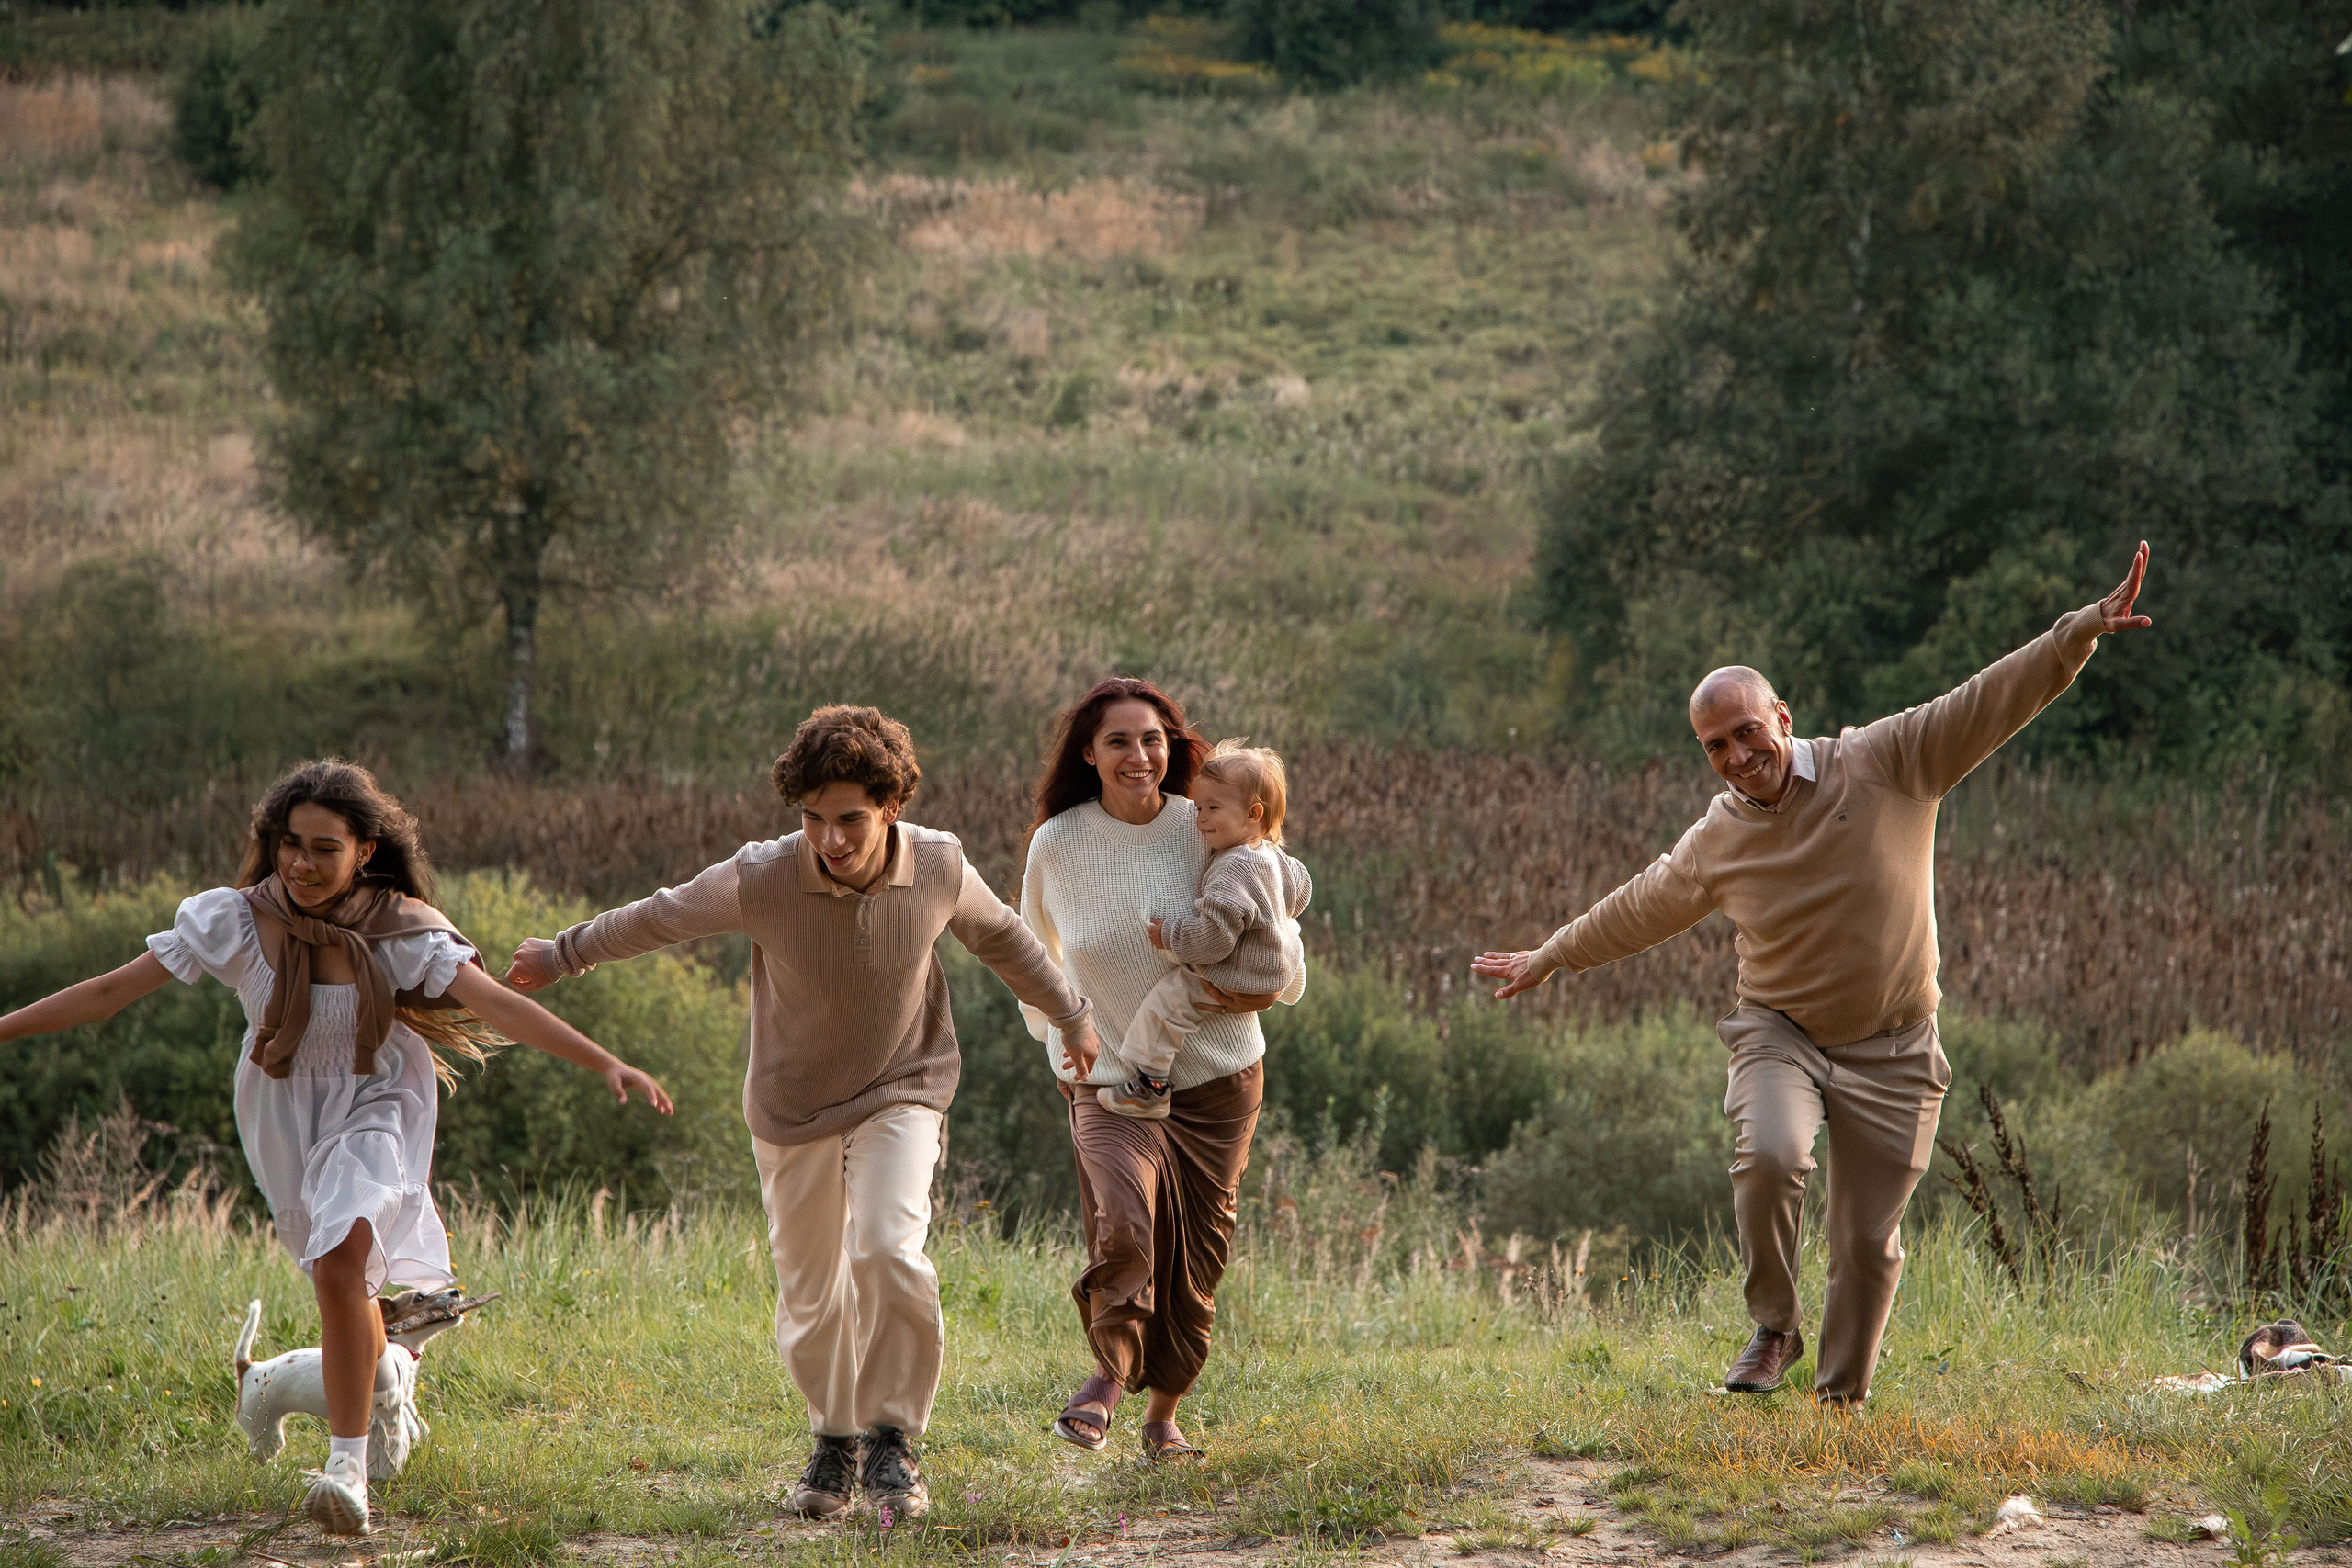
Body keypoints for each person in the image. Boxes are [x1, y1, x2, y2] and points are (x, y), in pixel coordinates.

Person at [1474, 543, 2156, 1406]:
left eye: (1745, 731)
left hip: (1897, 1044)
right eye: (1713, 745)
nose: (1733, 755)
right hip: (1779, 1033)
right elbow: (1641, 903)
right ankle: (1775, 1324)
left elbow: (1987, 698)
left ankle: (1839, 1405)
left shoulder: (1885, 761)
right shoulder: (1718, 836)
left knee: (1866, 1245)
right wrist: (1551, 955)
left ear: (1782, 716)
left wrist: (2082, 628)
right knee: (1769, 1152)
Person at [0, 760, 673, 1535]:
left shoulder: (401, 928)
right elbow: (107, 993)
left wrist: (606, 1061)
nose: (301, 863)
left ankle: (345, 1468)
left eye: (325, 847)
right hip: (284, 1114)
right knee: (341, 1279)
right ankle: (387, 1376)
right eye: (290, 843)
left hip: (380, 1098)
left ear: (365, 850)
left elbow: (500, 1007)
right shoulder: (235, 920)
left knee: (345, 1258)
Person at [506, 705, 1095, 1521]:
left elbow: (1004, 938)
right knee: (813, 1292)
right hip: (791, 1105)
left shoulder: (938, 864)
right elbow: (661, 913)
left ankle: (893, 1442)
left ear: (891, 805)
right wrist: (563, 952)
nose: (831, 838)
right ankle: (835, 1437)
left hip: (904, 1085)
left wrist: (1072, 1014)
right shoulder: (763, 875)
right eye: (813, 819)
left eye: (850, 818)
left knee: (889, 1247)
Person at [1019, 680, 1303, 1461]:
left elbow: (1282, 917)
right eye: (1119, 741)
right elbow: (1035, 957)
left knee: (1198, 1254)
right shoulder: (1058, 843)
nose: (1139, 756)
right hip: (1108, 1079)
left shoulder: (1210, 822)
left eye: (1153, 740)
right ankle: (1107, 1378)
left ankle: (1163, 1415)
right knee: (1123, 1222)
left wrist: (1256, 985)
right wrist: (1059, 1041)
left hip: (1217, 1080)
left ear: (1172, 747)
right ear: (1089, 753)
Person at [1110, 740, 1312, 1120]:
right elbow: (1302, 888)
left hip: (1241, 978)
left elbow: (1213, 940)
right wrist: (1273, 917)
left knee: (1170, 1002)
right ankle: (1286, 974)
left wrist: (1169, 934)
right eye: (1199, 807)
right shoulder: (1274, 857)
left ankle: (1150, 1085)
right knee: (1283, 928)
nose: (1200, 819)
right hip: (1278, 965)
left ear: (1254, 813)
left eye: (1213, 809)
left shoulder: (1232, 870)